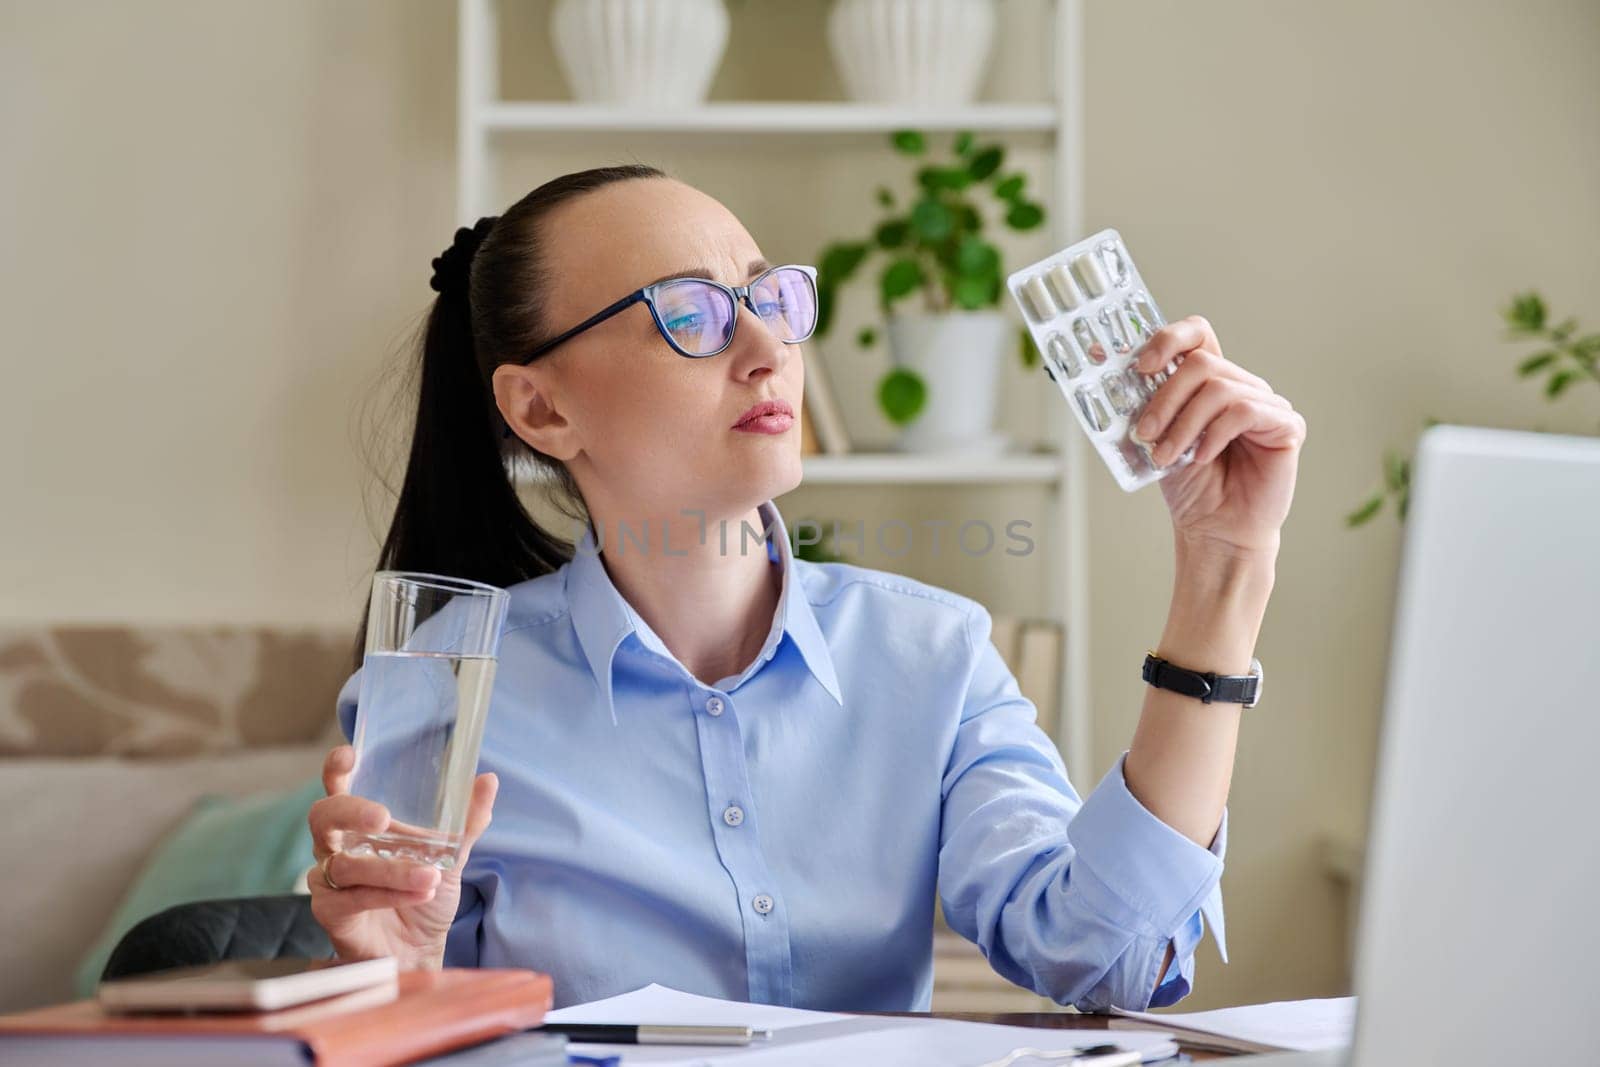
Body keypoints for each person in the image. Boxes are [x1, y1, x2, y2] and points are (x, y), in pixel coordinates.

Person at [306, 164, 1306, 1013]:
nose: (767, 350)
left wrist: (1226, 564)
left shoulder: (932, 655)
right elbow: (400, 1011)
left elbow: (1110, 955)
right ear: (541, 407)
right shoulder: (440, 690)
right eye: (690, 314)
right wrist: (400, 976)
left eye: (768, 297)